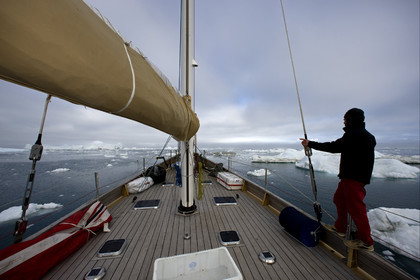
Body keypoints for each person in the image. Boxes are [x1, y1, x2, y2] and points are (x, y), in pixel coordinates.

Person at [300, 108, 376, 251]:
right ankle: (340, 228)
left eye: (345, 119)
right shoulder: (367, 136)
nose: (344, 121)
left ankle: (366, 242)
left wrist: (310, 144)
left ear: (351, 119)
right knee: (339, 199)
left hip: (354, 178)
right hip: (351, 177)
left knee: (356, 209)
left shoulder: (354, 135)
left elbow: (333, 147)